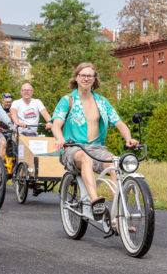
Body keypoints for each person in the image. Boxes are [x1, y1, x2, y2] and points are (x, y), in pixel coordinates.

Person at [51, 62, 138, 220]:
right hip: (73, 148)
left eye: (89, 75)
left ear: (94, 79)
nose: (86, 78)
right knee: (86, 158)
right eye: (82, 75)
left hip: (98, 148)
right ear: (76, 78)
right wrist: (60, 138)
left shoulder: (102, 102)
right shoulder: (68, 100)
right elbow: (56, 124)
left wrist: (128, 138)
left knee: (114, 163)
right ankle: (95, 201)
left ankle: (120, 217)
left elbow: (119, 122)